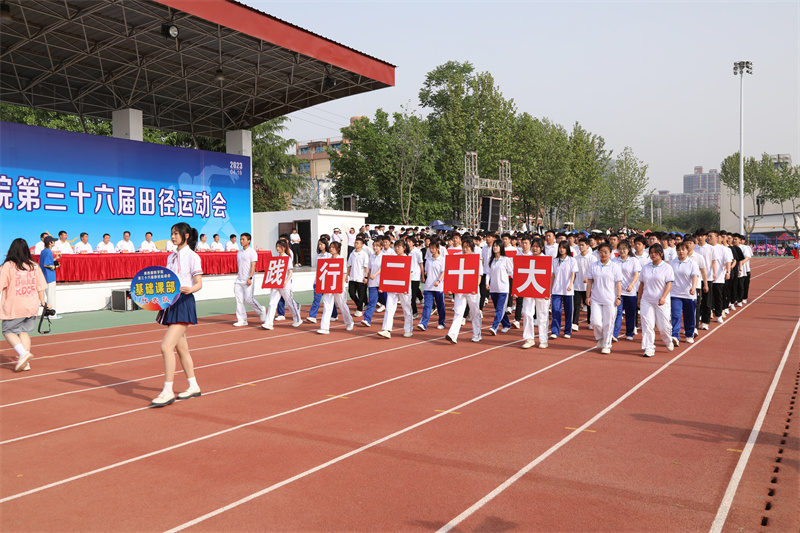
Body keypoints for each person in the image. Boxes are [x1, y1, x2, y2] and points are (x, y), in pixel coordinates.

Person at [151, 223, 204, 407]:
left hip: (183, 302)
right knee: (182, 349)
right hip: (171, 303)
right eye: (171, 233)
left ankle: (167, 391)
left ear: (186, 235)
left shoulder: (193, 256)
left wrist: (190, 289)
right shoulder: (171, 256)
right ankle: (193, 386)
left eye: (176, 233)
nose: (173, 237)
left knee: (166, 346)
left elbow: (199, 283)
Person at [1, 238, 48, 372]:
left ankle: (23, 354)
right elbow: (40, 287)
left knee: (8, 331)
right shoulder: (34, 265)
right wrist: (43, 301)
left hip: (14, 306)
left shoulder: (8, 266)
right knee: (24, 332)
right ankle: (25, 362)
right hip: (31, 305)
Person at [637, 243, 675, 358]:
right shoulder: (646, 267)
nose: (653, 255)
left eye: (656, 253)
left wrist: (663, 297)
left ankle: (668, 340)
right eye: (651, 253)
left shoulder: (667, 267)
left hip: (661, 301)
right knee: (647, 325)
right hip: (647, 300)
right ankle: (649, 348)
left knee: (663, 326)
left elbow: (669, 283)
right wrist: (639, 298)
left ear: (661, 254)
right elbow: (641, 284)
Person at [586, 243, 622, 354]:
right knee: (595, 322)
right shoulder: (593, 266)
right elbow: (590, 282)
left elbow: (618, 283)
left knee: (608, 323)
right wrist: (587, 296)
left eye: (606, 252)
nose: (603, 254)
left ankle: (607, 345)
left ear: (610, 253)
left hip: (610, 299)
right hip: (596, 298)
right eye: (601, 252)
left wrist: (618, 297)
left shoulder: (615, 267)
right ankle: (600, 337)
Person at [445, 239, 483, 344]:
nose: (465, 249)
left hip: (472, 290)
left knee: (475, 313)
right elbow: (451, 272)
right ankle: (453, 334)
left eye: (467, 247)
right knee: (458, 312)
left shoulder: (476, 259)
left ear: (472, 248)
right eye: (464, 247)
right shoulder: (457, 257)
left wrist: (475, 287)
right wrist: (450, 288)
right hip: (459, 289)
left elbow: (479, 276)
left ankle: (477, 334)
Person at [520, 236, 553, 349]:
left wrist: (549, 291)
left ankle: (543, 340)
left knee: (542, 315)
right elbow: (520, 275)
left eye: (537, 247)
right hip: (529, 289)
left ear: (542, 248)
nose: (534, 248)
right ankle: (529, 339)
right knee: (527, 313)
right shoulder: (526, 259)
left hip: (542, 290)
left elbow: (550, 276)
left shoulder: (546, 259)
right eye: (533, 246)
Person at [262, 239, 302, 330]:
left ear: (284, 248)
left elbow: (290, 272)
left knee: (289, 302)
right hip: (276, 283)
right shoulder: (275, 257)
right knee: (272, 303)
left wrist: (286, 281)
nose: (277, 248)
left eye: (279, 246)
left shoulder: (287, 258)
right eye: (277, 246)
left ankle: (297, 319)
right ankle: (268, 323)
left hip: (285, 285)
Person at [378, 239, 413, 339]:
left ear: (404, 248)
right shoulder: (392, 259)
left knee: (406, 309)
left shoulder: (408, 259)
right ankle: (386, 329)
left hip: (404, 287)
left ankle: (408, 330)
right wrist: (383, 287)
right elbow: (387, 273)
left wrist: (406, 287)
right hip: (392, 287)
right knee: (389, 308)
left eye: (399, 246)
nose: (397, 249)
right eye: (395, 247)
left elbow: (409, 274)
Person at [317, 241, 354, 334]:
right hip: (328, 286)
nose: (331, 249)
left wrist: (341, 286)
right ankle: (324, 327)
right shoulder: (327, 259)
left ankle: (349, 322)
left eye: (333, 247)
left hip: (338, 286)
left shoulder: (341, 259)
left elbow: (344, 274)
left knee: (342, 305)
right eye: (330, 247)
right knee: (327, 305)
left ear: (338, 249)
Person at [232, 233, 266, 327]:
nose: (241, 241)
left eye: (243, 239)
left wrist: (250, 277)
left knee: (248, 299)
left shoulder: (252, 252)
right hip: (239, 280)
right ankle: (242, 320)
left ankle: (261, 310)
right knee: (239, 300)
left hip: (248, 279)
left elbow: (253, 266)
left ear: (248, 241)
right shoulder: (239, 252)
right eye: (241, 239)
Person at [669, 242, 700, 346]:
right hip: (675, 293)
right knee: (676, 315)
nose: (681, 251)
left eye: (683, 249)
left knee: (689, 316)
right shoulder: (672, 263)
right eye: (678, 250)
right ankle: (675, 336)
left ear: (687, 250)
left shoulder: (692, 263)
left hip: (688, 294)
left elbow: (695, 276)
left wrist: (693, 287)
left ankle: (689, 334)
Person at [612, 241, 641, 341]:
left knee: (630, 313)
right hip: (618, 292)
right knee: (618, 313)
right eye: (620, 249)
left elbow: (636, 274)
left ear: (628, 249)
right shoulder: (614, 260)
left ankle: (630, 332)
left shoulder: (633, 260)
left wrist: (632, 285)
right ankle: (615, 334)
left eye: (624, 249)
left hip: (630, 292)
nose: (622, 251)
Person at [550, 241, 578, 340]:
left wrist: (570, 284)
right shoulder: (555, 261)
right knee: (555, 310)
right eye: (560, 248)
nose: (562, 250)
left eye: (564, 248)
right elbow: (553, 276)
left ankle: (567, 331)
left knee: (568, 311)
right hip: (556, 289)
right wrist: (551, 289)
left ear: (567, 249)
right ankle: (555, 331)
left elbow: (573, 274)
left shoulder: (572, 260)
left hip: (568, 290)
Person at [307, 239, 338, 324]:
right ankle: (312, 316)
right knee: (316, 299)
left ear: (325, 245)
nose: (320, 246)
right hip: (318, 280)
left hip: (327, 281)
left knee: (329, 300)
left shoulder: (329, 255)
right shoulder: (318, 255)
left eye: (322, 244)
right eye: (319, 244)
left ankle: (334, 314)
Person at [486, 240, 512, 335]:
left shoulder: (505, 259)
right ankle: (506, 324)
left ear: (501, 247)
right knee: (500, 309)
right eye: (494, 246)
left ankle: (494, 327)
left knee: (499, 309)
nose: (495, 247)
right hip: (493, 288)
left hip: (503, 288)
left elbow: (511, 272)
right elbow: (488, 273)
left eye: (497, 246)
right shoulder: (491, 260)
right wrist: (487, 283)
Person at [572, 237, 597, 332]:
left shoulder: (592, 258)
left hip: (588, 287)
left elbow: (594, 271)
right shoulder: (575, 258)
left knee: (589, 305)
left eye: (583, 245)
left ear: (588, 246)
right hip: (577, 286)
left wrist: (588, 277)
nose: (580, 247)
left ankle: (590, 322)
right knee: (576, 305)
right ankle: (575, 323)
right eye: (579, 245)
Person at [38, 236, 62, 320]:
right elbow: (46, 264)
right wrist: (55, 266)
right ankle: (52, 314)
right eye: (53, 241)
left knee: (48, 296)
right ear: (50, 243)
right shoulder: (48, 251)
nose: (54, 242)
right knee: (51, 296)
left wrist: (55, 258)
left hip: (44, 276)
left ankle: (46, 313)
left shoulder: (44, 251)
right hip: (49, 277)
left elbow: (46, 262)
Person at [361, 238, 383, 327]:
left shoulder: (384, 256)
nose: (375, 248)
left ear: (381, 247)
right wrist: (368, 278)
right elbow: (369, 268)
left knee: (388, 302)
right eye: (374, 246)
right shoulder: (372, 256)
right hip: (373, 283)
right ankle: (367, 319)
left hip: (382, 283)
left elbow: (383, 267)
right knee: (372, 301)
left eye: (377, 246)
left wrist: (375, 274)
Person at [347, 236, 369, 316]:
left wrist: (366, 277)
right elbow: (349, 265)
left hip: (361, 278)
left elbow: (366, 267)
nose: (356, 244)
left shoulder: (364, 254)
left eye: (357, 243)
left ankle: (359, 309)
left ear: (362, 245)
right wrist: (347, 275)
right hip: (352, 277)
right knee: (351, 293)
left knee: (361, 295)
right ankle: (360, 304)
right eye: (355, 243)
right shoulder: (352, 253)